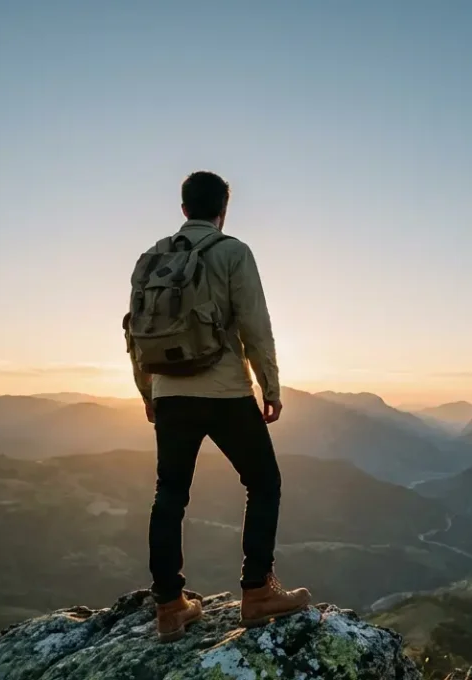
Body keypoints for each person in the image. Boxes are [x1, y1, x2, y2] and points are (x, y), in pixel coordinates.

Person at [128, 171, 310, 642]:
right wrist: (270, 387)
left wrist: (148, 392)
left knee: (169, 495)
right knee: (264, 482)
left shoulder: (152, 258)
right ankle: (257, 591)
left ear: (184, 208)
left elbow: (135, 332)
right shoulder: (233, 252)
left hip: (170, 393)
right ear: (223, 210)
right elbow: (255, 324)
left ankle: (169, 606)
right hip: (225, 391)